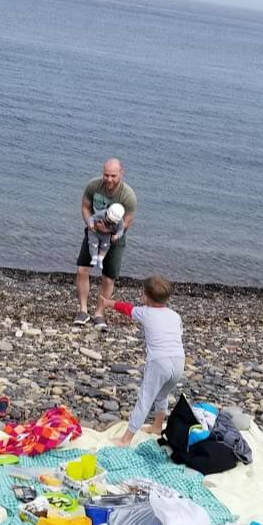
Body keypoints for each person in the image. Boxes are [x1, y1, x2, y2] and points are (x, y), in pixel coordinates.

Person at [100, 275, 184, 447]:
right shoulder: (175, 315)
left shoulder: (145, 312)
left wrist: (108, 303)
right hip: (179, 361)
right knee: (162, 394)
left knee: (145, 399)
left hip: (159, 362)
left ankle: (126, 439)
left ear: (146, 296)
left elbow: (126, 308)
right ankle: (157, 426)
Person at [74, 159, 136, 330]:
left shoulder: (127, 196)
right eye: (106, 175)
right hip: (93, 232)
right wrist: (90, 224)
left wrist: (109, 232)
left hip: (115, 239)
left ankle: (99, 314)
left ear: (121, 174)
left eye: (113, 176)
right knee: (82, 270)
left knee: (108, 277)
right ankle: (83, 310)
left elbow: (127, 222)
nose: (109, 179)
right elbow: (86, 207)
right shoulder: (93, 186)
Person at [86, 202, 125, 270]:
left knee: (105, 246)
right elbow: (91, 218)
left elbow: (121, 230)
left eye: (113, 221)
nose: (110, 222)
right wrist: (91, 225)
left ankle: (100, 259)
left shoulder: (120, 221)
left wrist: (117, 236)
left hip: (106, 235)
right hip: (95, 232)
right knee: (93, 244)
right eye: (109, 219)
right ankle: (94, 257)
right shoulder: (101, 214)